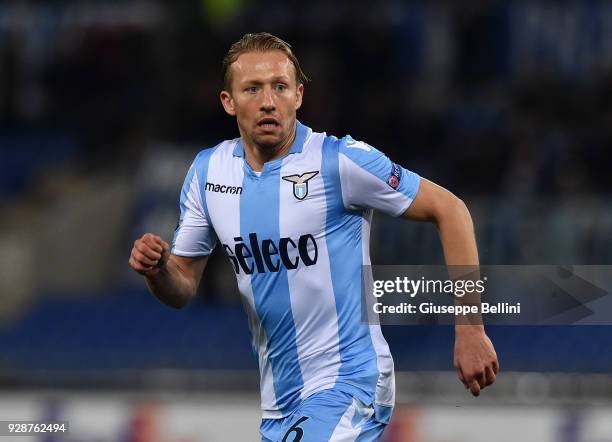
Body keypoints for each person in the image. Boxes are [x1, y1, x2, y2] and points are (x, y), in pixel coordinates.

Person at [129, 32, 499, 442]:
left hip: (350, 381)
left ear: (299, 96)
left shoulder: (339, 161)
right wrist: (159, 269)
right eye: (252, 89)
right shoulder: (208, 172)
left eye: (280, 87)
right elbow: (181, 286)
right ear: (228, 101)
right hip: (280, 404)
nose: (268, 101)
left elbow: (451, 210)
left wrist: (470, 328)